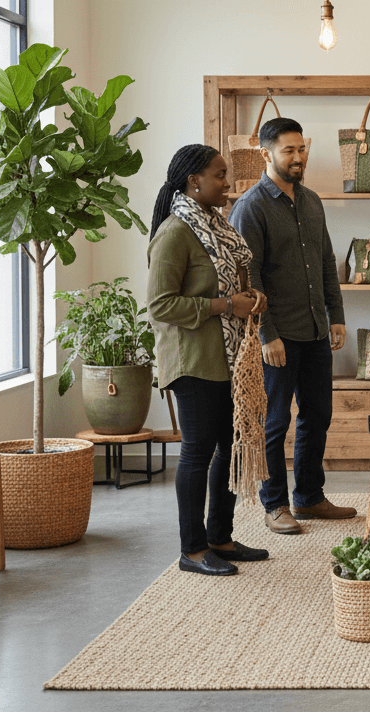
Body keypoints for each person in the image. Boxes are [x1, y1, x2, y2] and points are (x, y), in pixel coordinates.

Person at [229, 117, 357, 535]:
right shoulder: (250, 207)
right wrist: (267, 335)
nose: (298, 157)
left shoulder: (311, 201)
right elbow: (249, 279)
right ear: (266, 154)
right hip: (278, 336)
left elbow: (324, 262)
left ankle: (309, 497)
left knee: (317, 415)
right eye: (289, 150)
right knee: (274, 422)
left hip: (316, 329)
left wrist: (335, 315)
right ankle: (275, 504)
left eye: (302, 149)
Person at [148, 144, 270, 576]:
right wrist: (224, 306)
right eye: (219, 175)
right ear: (192, 181)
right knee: (197, 454)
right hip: (193, 362)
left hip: (229, 358)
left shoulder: (217, 228)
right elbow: (160, 306)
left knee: (229, 448)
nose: (228, 183)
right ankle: (192, 549)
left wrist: (251, 299)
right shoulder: (175, 232)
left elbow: (234, 288)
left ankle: (220, 537)